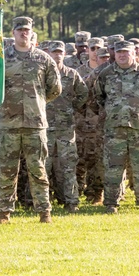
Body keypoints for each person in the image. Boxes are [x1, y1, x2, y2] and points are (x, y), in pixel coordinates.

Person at [0, 16, 62, 224]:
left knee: (37, 169)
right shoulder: (2, 58)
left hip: (34, 124)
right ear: (12, 32)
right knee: (7, 170)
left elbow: (55, 88)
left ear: (32, 33)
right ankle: (4, 212)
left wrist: (36, 101)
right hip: (8, 123)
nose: (23, 33)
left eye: (27, 30)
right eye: (19, 30)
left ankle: (44, 211)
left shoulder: (43, 59)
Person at [91, 41, 139, 213]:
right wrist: (113, 112)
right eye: (119, 52)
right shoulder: (105, 74)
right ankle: (111, 204)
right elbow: (99, 96)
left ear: (133, 54)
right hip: (114, 129)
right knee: (113, 167)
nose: (122, 55)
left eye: (126, 52)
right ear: (114, 54)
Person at [45, 40, 88, 213]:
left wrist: (72, 107)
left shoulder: (72, 74)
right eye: (53, 52)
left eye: (59, 52)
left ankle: (72, 202)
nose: (56, 55)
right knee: (43, 166)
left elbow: (83, 93)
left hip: (65, 128)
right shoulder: (42, 74)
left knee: (68, 166)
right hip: (45, 127)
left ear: (64, 54)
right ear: (48, 53)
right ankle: (40, 203)